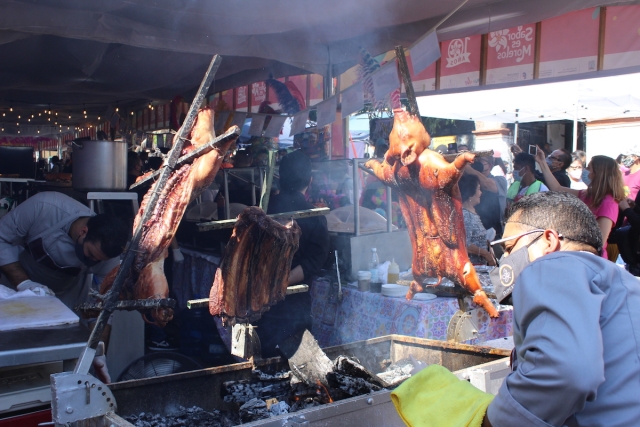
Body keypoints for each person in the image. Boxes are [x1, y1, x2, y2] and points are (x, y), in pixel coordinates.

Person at [483, 191, 640, 427]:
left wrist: (494, 421)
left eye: (508, 248)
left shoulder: (552, 264)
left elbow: (567, 372)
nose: (505, 260)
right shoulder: (625, 283)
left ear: (549, 241)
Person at [256, 150, 329, 357]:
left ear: (280, 179)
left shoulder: (262, 210)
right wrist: (283, 282)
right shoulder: (315, 216)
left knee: (266, 354)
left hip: (260, 299)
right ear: (310, 180)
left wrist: (270, 283)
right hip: (293, 301)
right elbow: (314, 260)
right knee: (295, 357)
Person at [534, 149, 624, 259]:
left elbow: (598, 241)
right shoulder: (587, 194)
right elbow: (557, 188)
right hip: (576, 255)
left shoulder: (609, 202)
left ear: (599, 173)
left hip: (590, 260)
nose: (585, 171)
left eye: (589, 168)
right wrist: (542, 162)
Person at [459, 174, 496, 266]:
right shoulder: (465, 215)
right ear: (470, 193)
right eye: (479, 189)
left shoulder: (471, 212)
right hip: (472, 267)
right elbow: (464, 243)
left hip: (479, 265)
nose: (481, 193)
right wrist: (485, 254)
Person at [467, 156, 507, 237]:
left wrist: (465, 167)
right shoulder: (470, 181)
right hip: (475, 233)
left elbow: (486, 184)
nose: (476, 163)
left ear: (489, 165)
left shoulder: (500, 180)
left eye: (480, 161)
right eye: (475, 161)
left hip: (496, 235)